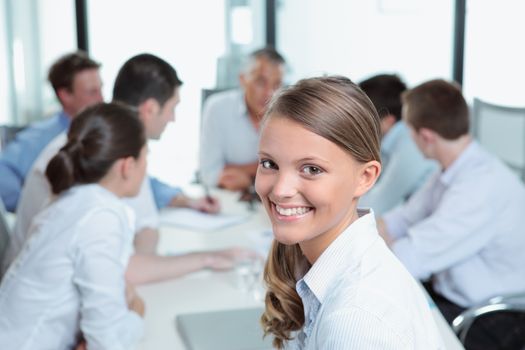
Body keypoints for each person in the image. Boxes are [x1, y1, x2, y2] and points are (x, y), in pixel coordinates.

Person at [5, 53, 254, 283]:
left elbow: (146, 227)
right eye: (173, 107)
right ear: (150, 109)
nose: (173, 118)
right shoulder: (97, 152)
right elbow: (129, 265)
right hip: (42, 290)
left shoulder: (117, 142)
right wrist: (205, 258)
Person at [256, 76, 443, 349]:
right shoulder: (315, 262)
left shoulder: (356, 322)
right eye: (269, 163)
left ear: (365, 178)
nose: (281, 190)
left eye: (311, 169)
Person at [378, 79, 525, 350]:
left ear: (425, 137)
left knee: (382, 328)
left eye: (407, 131)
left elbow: (409, 257)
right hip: (452, 297)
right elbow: (402, 219)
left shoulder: (480, 187)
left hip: (491, 318)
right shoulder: (450, 171)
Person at [0, 103, 145, 349]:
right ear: (127, 166)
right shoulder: (101, 216)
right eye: (146, 156)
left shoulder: (71, 200)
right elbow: (108, 342)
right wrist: (137, 313)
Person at [0, 51, 103, 212]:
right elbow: (2, 173)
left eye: (100, 89)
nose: (101, 98)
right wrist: (33, 212)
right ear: (65, 95)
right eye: (92, 92)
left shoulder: (104, 131)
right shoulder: (37, 138)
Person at [199, 46, 285, 191]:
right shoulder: (217, 108)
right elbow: (210, 173)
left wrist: (241, 171)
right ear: (243, 79)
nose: (269, 93)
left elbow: (289, 170)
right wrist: (269, 167)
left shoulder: (287, 114)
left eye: (276, 84)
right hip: (232, 198)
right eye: (261, 82)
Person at [358, 74, 437, 215]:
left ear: (388, 121)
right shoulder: (392, 141)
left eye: (362, 119)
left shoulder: (409, 145)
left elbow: (375, 206)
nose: (357, 125)